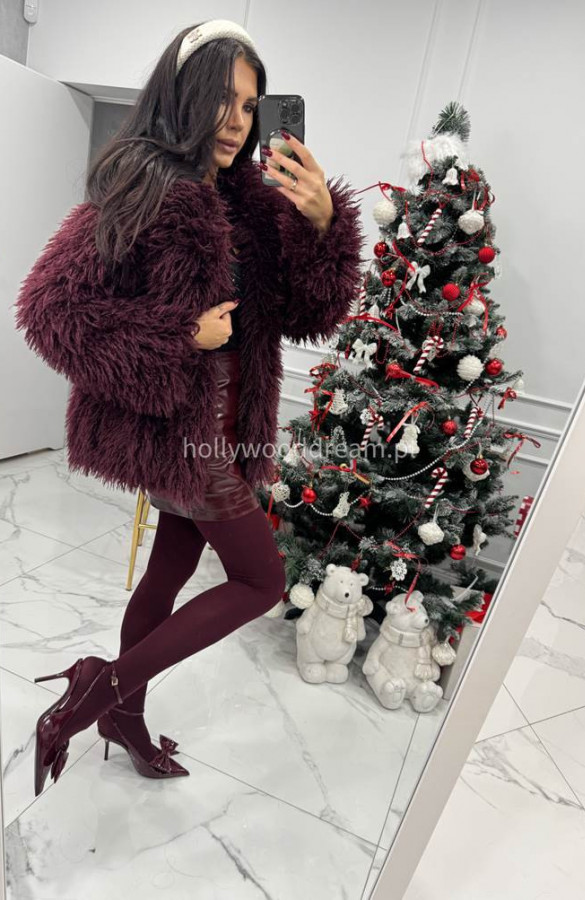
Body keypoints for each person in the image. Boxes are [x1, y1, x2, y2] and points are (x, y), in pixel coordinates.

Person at [14, 19, 365, 796]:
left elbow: (307, 312)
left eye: (251, 105)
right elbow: (49, 310)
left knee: (169, 569)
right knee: (261, 581)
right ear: (184, 96)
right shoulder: (143, 186)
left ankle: (125, 719)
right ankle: (91, 697)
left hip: (229, 428)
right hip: (182, 433)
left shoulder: (250, 204)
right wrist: (179, 335)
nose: (238, 121)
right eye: (223, 100)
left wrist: (321, 225)